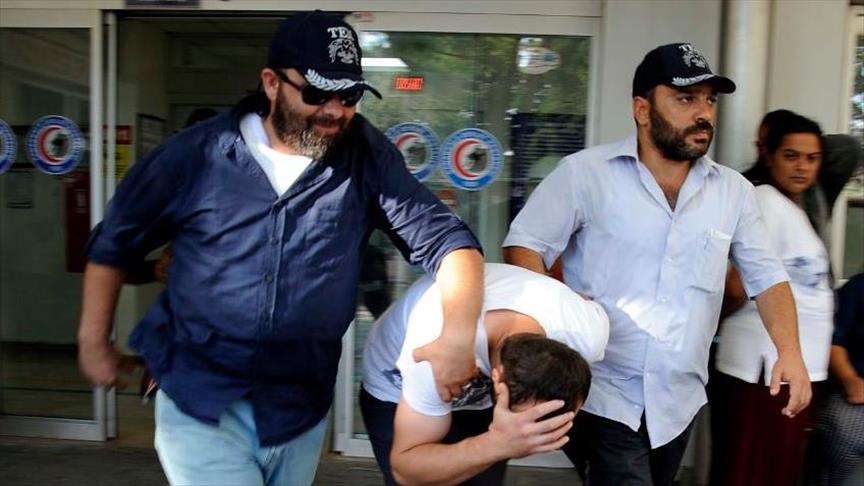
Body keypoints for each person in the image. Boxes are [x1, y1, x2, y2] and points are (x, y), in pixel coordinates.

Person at [77, 11, 484, 486]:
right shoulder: (195, 155)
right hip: (203, 398)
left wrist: (458, 335)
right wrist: (93, 340)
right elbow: (114, 243)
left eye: (349, 96)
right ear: (272, 83)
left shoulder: (365, 155)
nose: (334, 110)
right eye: (316, 94)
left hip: (298, 408)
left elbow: (450, 243)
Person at [502, 42, 812, 485]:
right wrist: (557, 315)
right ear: (642, 110)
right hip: (601, 391)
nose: (703, 113)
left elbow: (767, 277)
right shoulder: (585, 174)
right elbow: (524, 246)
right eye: (686, 99)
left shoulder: (734, 193)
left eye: (709, 100)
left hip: (678, 400)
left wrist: (791, 352)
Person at [360, 263, 609, 485]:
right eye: (527, 422)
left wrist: (500, 443)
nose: (530, 435)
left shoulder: (587, 333)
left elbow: (588, 302)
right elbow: (406, 469)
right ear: (496, 378)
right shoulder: (433, 352)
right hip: (397, 386)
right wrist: (495, 444)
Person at [711, 112, 833, 486]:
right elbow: (736, 286)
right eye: (790, 156)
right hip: (763, 371)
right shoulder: (764, 201)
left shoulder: (798, 207)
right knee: (752, 472)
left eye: (812, 158)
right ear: (769, 155)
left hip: (789, 372)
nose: (802, 167)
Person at [807, 271, 864, 485]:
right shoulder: (857, 288)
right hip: (855, 394)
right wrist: (850, 379)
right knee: (846, 431)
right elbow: (834, 342)